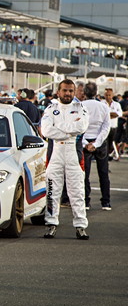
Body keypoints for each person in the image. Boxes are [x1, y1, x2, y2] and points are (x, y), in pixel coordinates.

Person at [42, 79, 90, 239]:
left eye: (71, 91)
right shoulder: (50, 108)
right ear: (58, 92)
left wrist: (60, 127)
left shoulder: (80, 108)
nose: (68, 93)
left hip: (73, 153)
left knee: (77, 191)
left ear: (74, 92)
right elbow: (46, 131)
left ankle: (81, 226)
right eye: (65, 90)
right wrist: (69, 131)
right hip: (55, 152)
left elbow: (81, 127)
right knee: (52, 191)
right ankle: (51, 224)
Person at [80, 82, 111, 211]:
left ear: (84, 93)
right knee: (103, 173)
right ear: (96, 92)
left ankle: (86, 202)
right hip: (100, 142)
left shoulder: (80, 106)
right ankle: (106, 202)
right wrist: (97, 143)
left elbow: (77, 128)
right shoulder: (103, 106)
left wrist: (86, 143)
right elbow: (106, 127)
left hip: (84, 142)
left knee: (84, 175)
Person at [104, 88, 121, 161]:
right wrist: (112, 115)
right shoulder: (102, 103)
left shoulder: (116, 104)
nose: (108, 97)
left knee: (111, 144)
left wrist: (109, 115)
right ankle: (105, 159)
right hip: (105, 127)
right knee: (105, 145)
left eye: (109, 95)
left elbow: (119, 114)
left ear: (112, 95)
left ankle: (109, 155)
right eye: (107, 95)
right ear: (104, 95)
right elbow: (103, 115)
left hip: (113, 127)